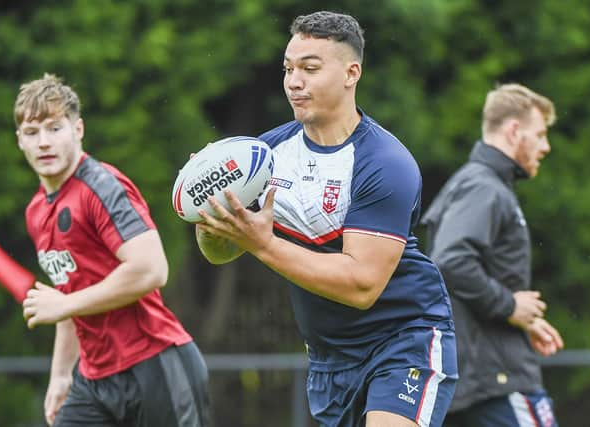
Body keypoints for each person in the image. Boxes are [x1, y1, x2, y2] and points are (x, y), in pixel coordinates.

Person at [194, 11, 457, 427]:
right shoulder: (263, 155)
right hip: (328, 358)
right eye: (288, 69)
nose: (294, 81)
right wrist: (211, 222)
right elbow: (219, 253)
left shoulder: (385, 163)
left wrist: (262, 244)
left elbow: (361, 285)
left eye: (310, 69)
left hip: (403, 340)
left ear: (352, 73)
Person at [17, 74, 210, 427]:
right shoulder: (36, 212)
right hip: (93, 381)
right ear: (20, 141)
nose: (43, 142)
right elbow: (69, 290)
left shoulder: (102, 185)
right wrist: (61, 377)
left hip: (154, 364)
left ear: (78, 130)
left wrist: (64, 305)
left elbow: (151, 269)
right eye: (32, 133)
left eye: (54, 128)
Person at [421, 83, 564, 427]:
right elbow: (451, 259)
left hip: (477, 376)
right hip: (496, 379)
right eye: (540, 134)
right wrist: (510, 306)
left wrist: (521, 317)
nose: (545, 146)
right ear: (515, 131)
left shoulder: (474, 182)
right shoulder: (484, 186)